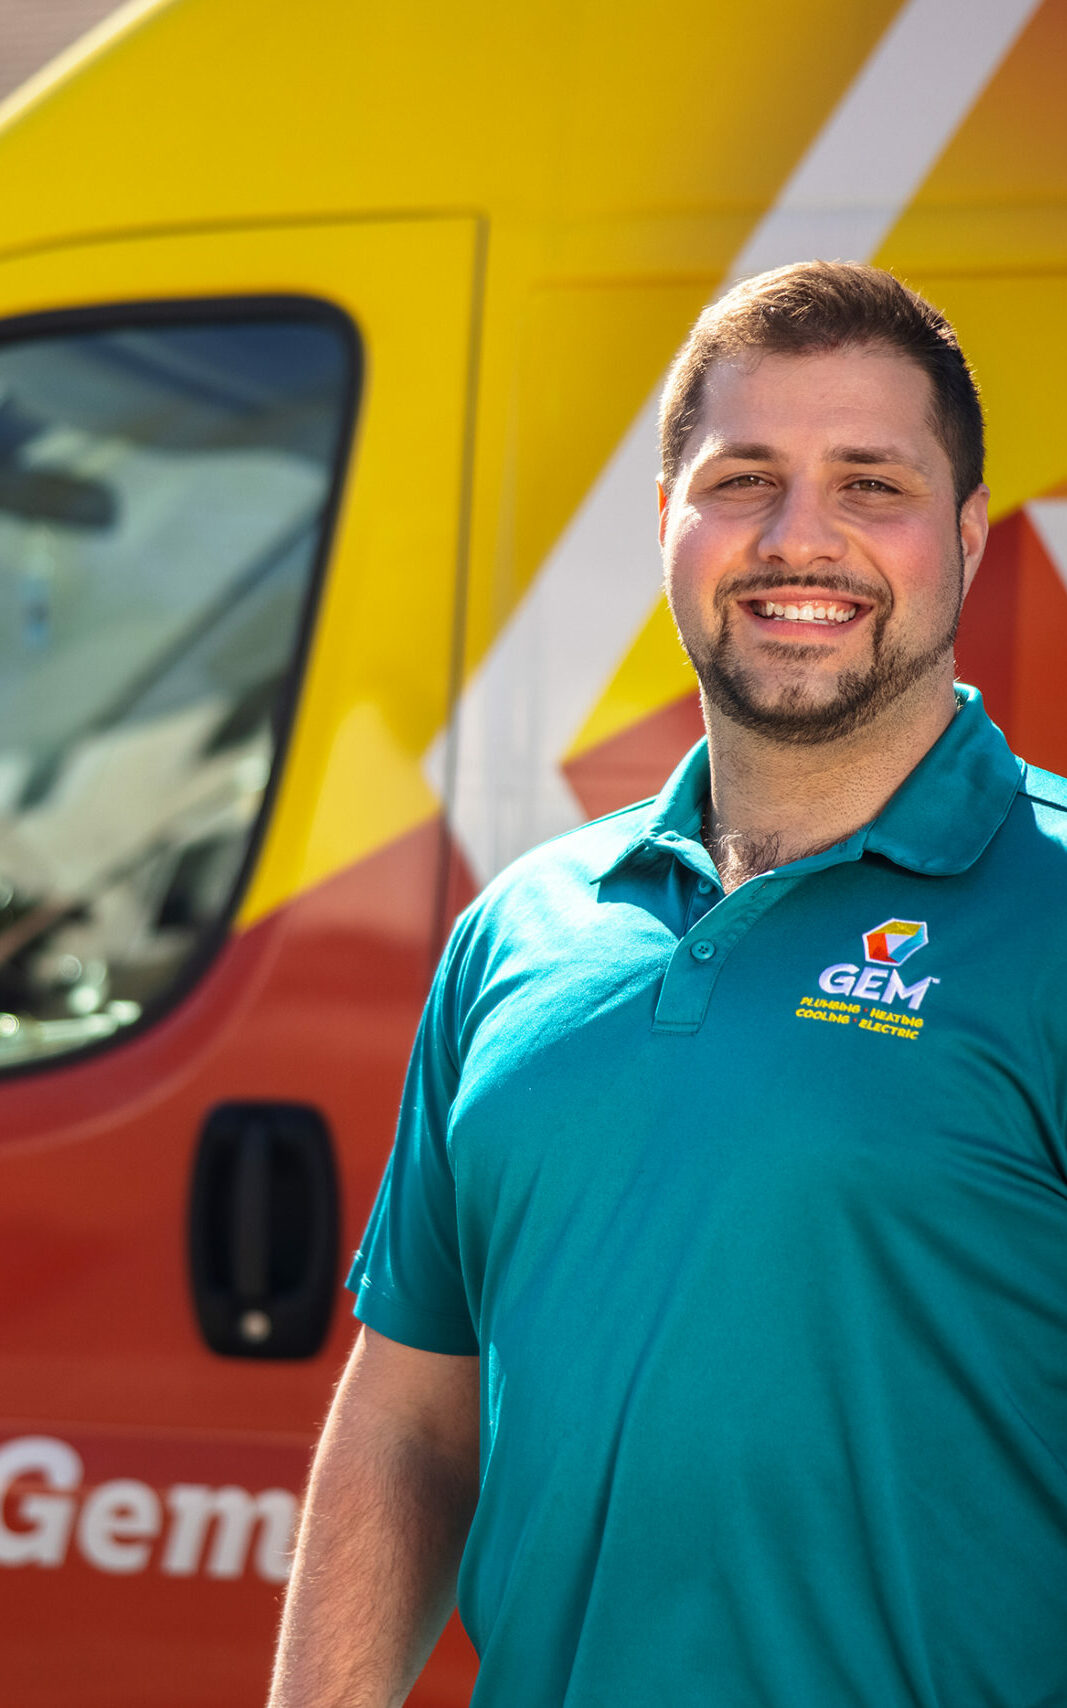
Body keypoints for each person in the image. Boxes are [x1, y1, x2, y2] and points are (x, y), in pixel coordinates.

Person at [270, 262, 1067, 1707]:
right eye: (742, 478)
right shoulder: (522, 926)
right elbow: (411, 1422)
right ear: (666, 527)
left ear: (966, 538)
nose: (797, 538)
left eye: (871, 486)